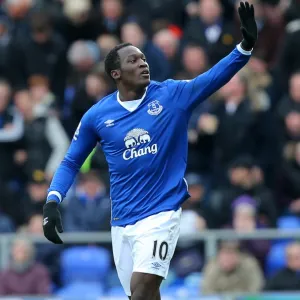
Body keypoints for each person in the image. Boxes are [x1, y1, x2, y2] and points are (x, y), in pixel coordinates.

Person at [42, 2, 257, 300]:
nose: (143, 63)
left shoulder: (170, 95)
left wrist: (244, 47)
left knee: (142, 288)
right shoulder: (97, 115)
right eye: (133, 60)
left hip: (161, 213)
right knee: (142, 295)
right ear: (116, 73)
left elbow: (212, 78)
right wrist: (53, 200)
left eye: (143, 58)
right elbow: (71, 161)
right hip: (122, 221)